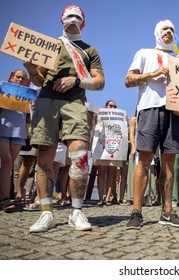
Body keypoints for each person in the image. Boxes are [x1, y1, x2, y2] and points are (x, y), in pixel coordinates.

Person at [23, 5, 105, 232]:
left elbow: (99, 82)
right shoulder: (49, 45)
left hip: (75, 102)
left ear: (83, 23)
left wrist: (76, 80)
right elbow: (39, 80)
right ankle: (46, 213)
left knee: (79, 154)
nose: (72, 20)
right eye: (68, 17)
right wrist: (31, 70)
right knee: (45, 154)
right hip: (47, 99)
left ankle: (77, 211)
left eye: (77, 17)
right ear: (61, 21)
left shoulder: (90, 50)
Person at [124, 19, 179, 229]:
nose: (168, 32)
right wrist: (153, 73)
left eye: (172, 30)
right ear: (158, 33)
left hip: (173, 113)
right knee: (144, 159)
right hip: (149, 109)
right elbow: (128, 80)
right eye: (165, 29)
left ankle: (167, 212)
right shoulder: (144, 53)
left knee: (169, 162)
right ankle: (136, 212)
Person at [0, 69, 29, 212]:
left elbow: (29, 118)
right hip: (3, 128)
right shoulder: (3, 89)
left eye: (23, 78)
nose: (20, 80)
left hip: (18, 131)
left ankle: (5, 196)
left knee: (9, 165)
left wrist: (32, 109)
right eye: (18, 77)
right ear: (12, 78)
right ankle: (5, 199)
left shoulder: (29, 96)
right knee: (6, 162)